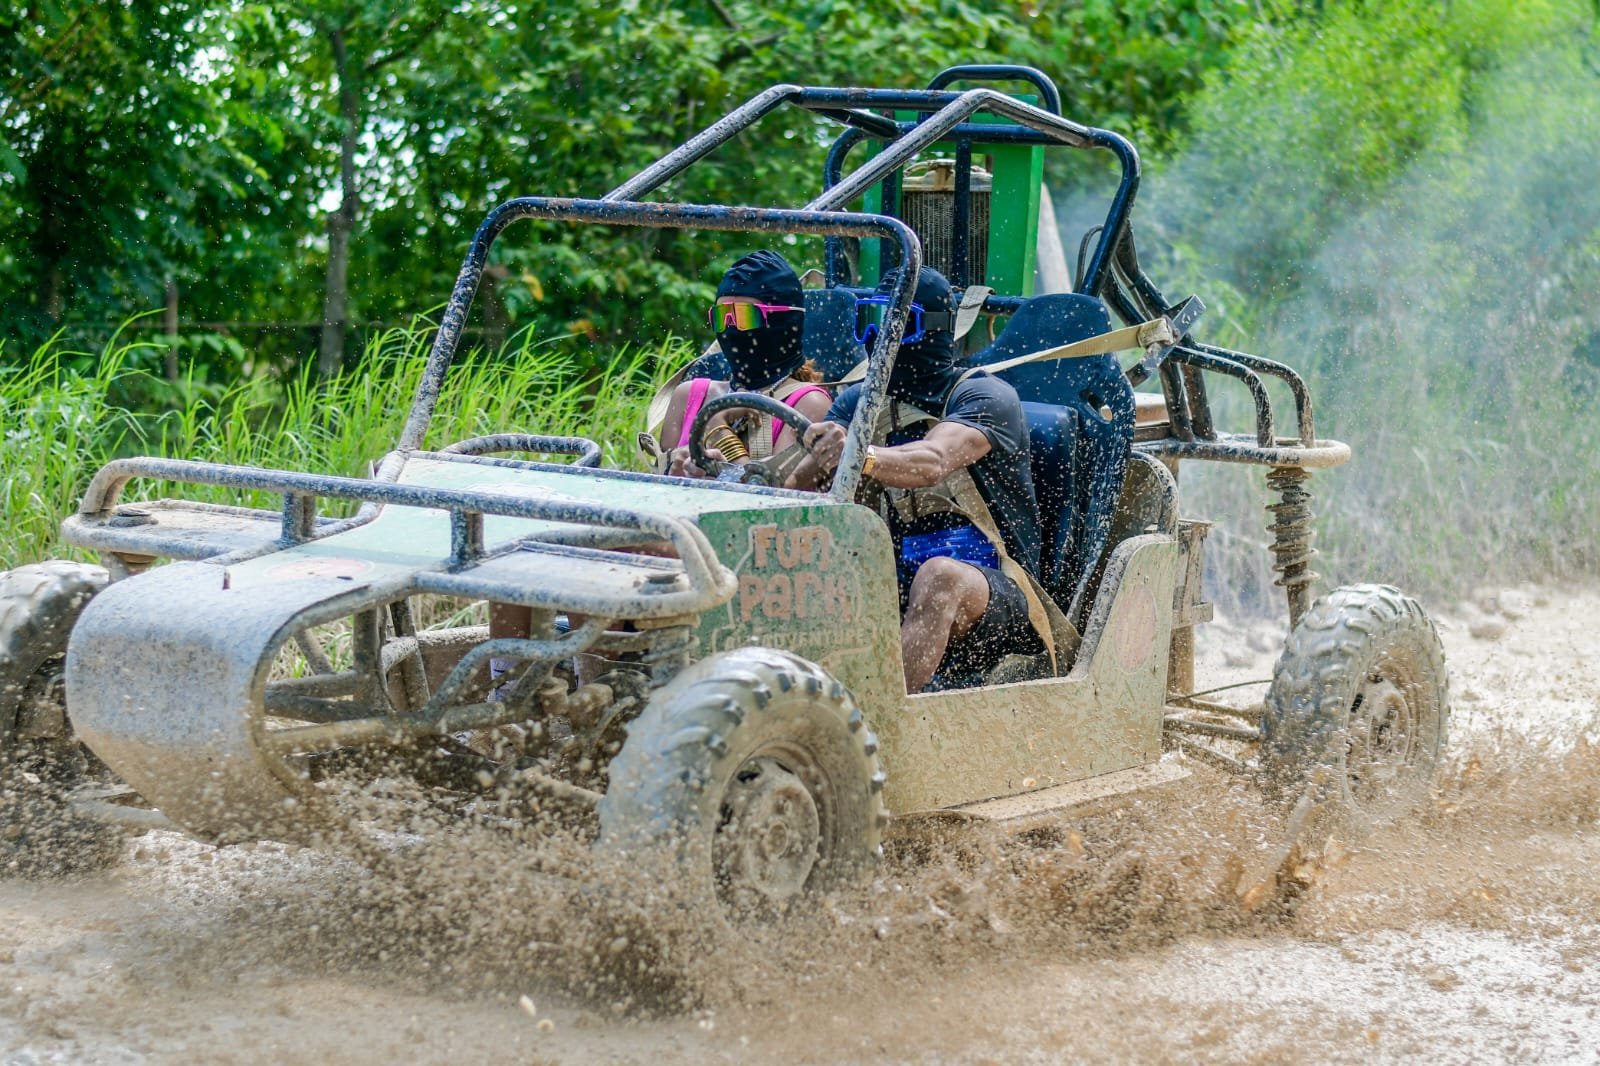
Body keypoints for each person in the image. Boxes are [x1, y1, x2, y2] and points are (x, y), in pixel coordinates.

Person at [801, 266, 1055, 693]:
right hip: (899, 579)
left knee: (940, 577)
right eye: (874, 320)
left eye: (898, 323)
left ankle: (877, 727)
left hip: (1000, 592)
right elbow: (792, 483)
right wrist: (725, 470)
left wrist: (857, 454)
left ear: (932, 329)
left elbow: (933, 460)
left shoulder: (985, 397)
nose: (881, 338)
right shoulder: (861, 402)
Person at [656, 249, 832, 485]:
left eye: (745, 317)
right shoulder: (689, 395)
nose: (731, 329)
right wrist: (675, 469)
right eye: (722, 317)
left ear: (783, 322)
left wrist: (715, 425)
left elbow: (772, 498)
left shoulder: (807, 405)